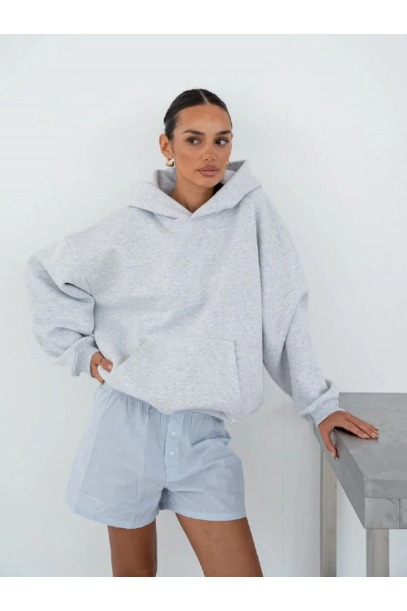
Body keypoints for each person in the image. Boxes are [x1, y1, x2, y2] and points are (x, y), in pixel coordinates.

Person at [24, 88, 379, 577]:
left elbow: (284, 312)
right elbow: (47, 273)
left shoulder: (252, 214)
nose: (210, 153)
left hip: (202, 433)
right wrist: (83, 355)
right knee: (132, 584)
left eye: (221, 140)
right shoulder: (130, 226)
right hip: (126, 423)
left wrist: (319, 403)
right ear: (166, 146)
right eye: (194, 139)